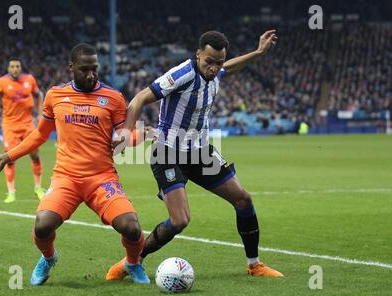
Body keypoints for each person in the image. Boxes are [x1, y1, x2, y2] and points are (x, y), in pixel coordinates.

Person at [108, 30, 283, 279]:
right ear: (198, 54)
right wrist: (126, 135)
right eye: (209, 61)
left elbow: (227, 69)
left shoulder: (215, 71)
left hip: (200, 153)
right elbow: (137, 100)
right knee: (179, 220)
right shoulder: (182, 74)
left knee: (243, 199)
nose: (213, 68)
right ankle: (132, 262)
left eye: (218, 63)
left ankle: (254, 265)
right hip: (168, 152)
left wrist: (257, 53)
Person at [0, 43, 150, 285]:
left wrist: (145, 134)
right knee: (42, 225)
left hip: (102, 178)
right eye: (85, 69)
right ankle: (49, 258)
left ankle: (132, 263)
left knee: (132, 227)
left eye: (95, 69)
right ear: (71, 67)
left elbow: (124, 137)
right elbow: (39, 135)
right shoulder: (55, 95)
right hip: (67, 178)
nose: (91, 74)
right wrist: (9, 156)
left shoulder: (113, 98)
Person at [0, 58, 45, 203]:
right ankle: (11, 192)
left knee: (35, 156)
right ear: (8, 68)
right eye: (12, 66)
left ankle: (38, 188)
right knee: (9, 159)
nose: (15, 69)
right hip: (10, 126)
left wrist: (40, 113)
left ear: (21, 68)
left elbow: (39, 95)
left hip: (27, 124)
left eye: (17, 66)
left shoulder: (30, 80)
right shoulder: (1, 82)